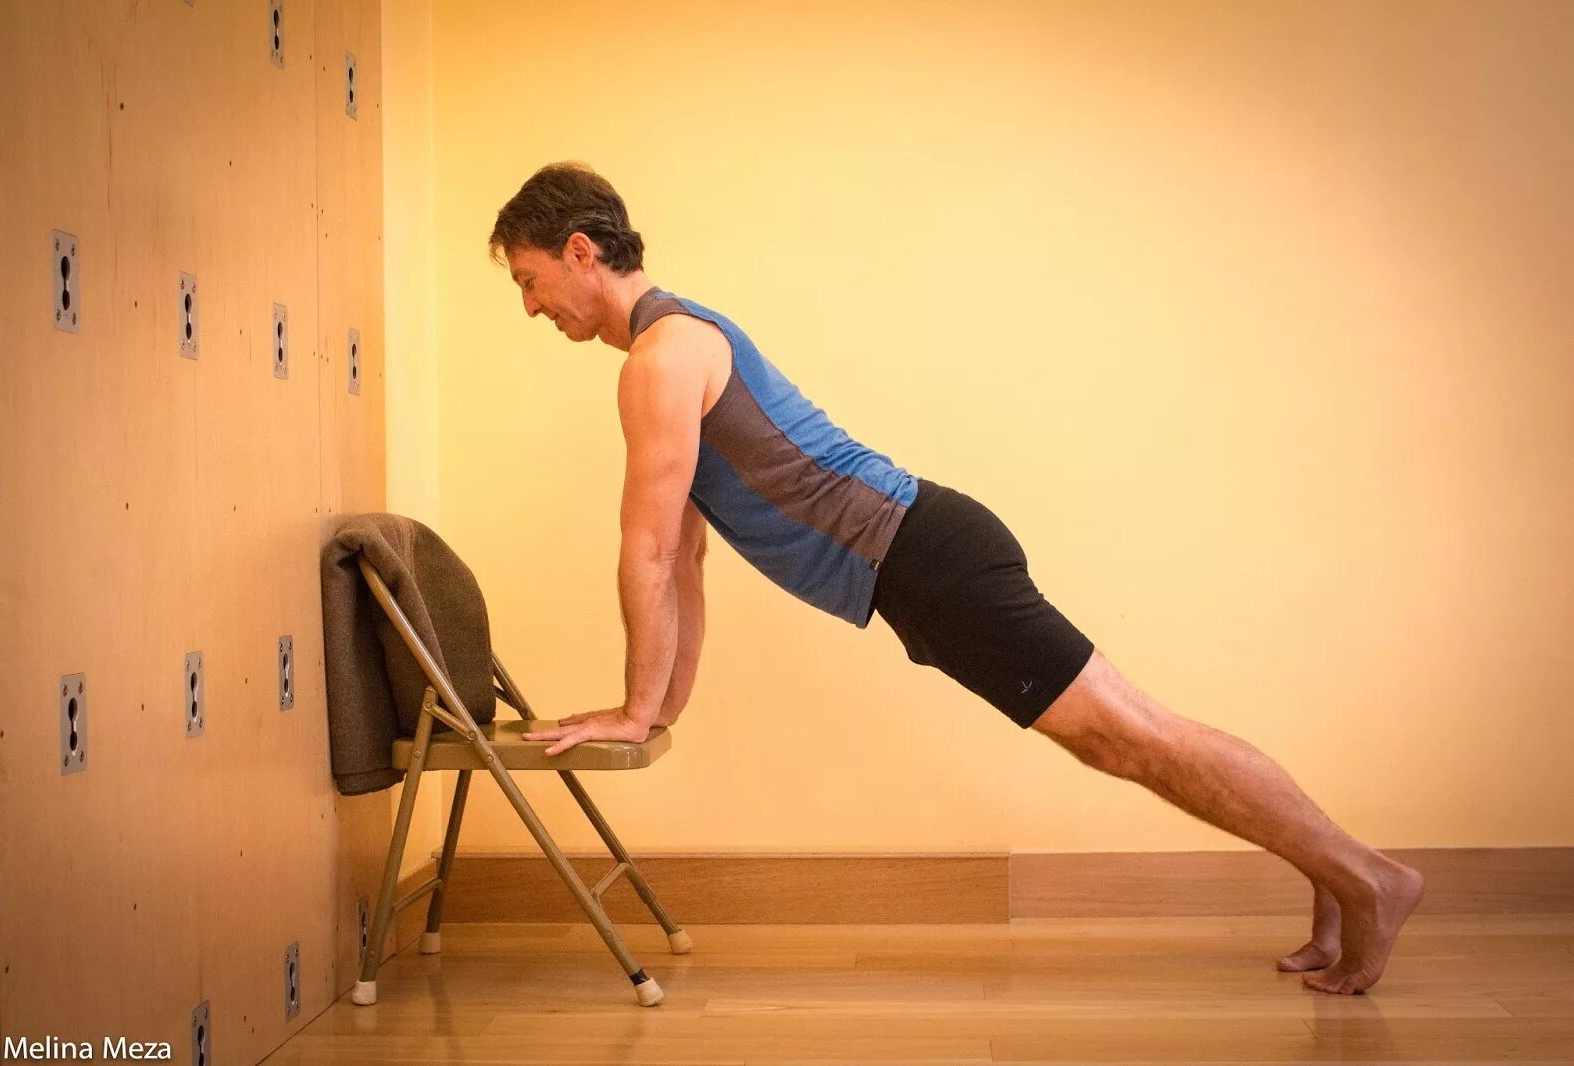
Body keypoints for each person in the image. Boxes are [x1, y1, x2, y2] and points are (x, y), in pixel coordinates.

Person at [495, 161, 1424, 995]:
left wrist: (632, 709)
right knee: (1134, 736)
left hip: (928, 560)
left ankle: (1369, 876)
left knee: (1132, 739)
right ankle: (1338, 876)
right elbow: (686, 557)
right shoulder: (675, 349)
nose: (532, 308)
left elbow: (650, 551)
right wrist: (656, 709)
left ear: (581, 253)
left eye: (531, 281)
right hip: (924, 561)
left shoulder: (663, 356)